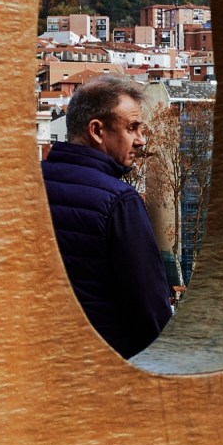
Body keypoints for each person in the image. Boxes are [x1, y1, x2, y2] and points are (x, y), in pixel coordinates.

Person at [42, 74, 173, 359]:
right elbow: (151, 309)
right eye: (132, 128)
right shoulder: (119, 202)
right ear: (97, 131)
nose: (140, 140)